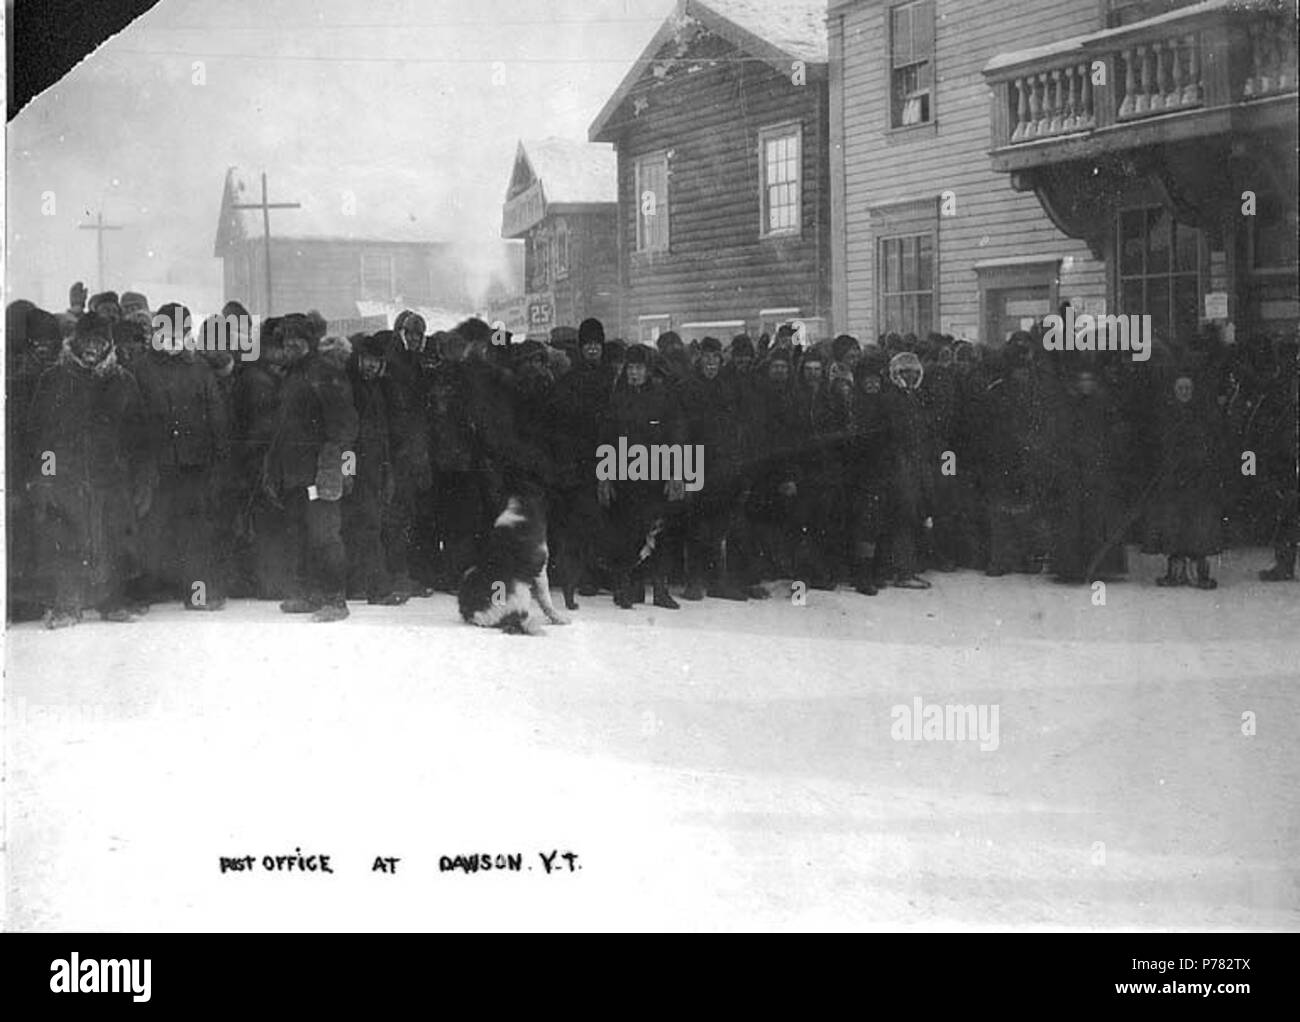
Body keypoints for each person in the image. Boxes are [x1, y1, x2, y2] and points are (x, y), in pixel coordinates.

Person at [26, 313, 152, 627]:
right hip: (66, 479)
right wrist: (46, 478)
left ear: (109, 343)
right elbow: (41, 438)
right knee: (67, 540)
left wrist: (143, 479)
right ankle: (67, 606)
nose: (91, 347)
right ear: (75, 341)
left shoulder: (123, 381)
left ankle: (113, 603)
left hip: (111, 478)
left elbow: (139, 439)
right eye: (86, 340)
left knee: (112, 541)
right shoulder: (53, 379)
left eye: (99, 341)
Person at [131, 302, 229, 611]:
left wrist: (218, 457)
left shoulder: (199, 368)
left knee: (195, 532)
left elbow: (216, 413)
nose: (173, 338)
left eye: (180, 332)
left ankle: (197, 594)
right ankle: (141, 594)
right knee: (150, 529)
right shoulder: (140, 368)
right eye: (167, 331)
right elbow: (131, 417)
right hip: (154, 466)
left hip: (193, 465)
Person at [263, 333, 358, 621]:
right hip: (296, 472)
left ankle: (335, 599)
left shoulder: (326, 375)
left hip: (320, 471)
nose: (289, 349)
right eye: (286, 344)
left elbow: (347, 428)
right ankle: (312, 594)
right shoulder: (293, 378)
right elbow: (282, 430)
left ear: (307, 345)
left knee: (324, 534)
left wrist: (342, 470)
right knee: (301, 534)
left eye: (295, 343)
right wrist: (273, 467)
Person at [599, 343, 685, 609]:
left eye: (639, 368)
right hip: (625, 476)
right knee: (627, 533)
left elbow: (676, 437)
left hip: (656, 475)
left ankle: (660, 589)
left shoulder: (662, 397)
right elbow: (606, 439)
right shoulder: (617, 398)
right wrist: (604, 477)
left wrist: (676, 474)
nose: (634, 373)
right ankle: (629, 587)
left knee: (660, 532)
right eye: (631, 368)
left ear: (648, 370)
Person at [1147, 373, 1231, 589]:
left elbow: (1211, 443)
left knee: (1199, 526)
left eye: (1187, 388)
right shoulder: (1166, 414)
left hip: (1199, 479)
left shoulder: (1203, 415)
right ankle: (1175, 572)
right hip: (1173, 480)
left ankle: (1199, 573)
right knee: (1174, 525)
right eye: (1180, 388)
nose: (1184, 392)